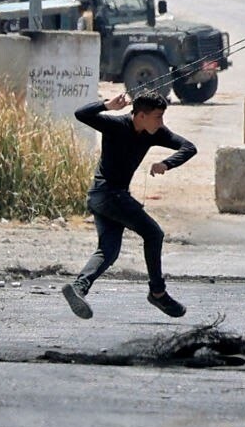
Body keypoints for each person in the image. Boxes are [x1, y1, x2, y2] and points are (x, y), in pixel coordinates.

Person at [62, 92, 197, 319]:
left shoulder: (154, 132)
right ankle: (157, 292)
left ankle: (79, 288)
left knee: (108, 251)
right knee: (154, 234)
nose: (161, 122)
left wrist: (167, 163)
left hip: (107, 198)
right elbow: (80, 114)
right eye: (158, 117)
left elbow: (189, 147)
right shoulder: (115, 124)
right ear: (141, 115)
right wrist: (106, 105)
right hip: (107, 195)